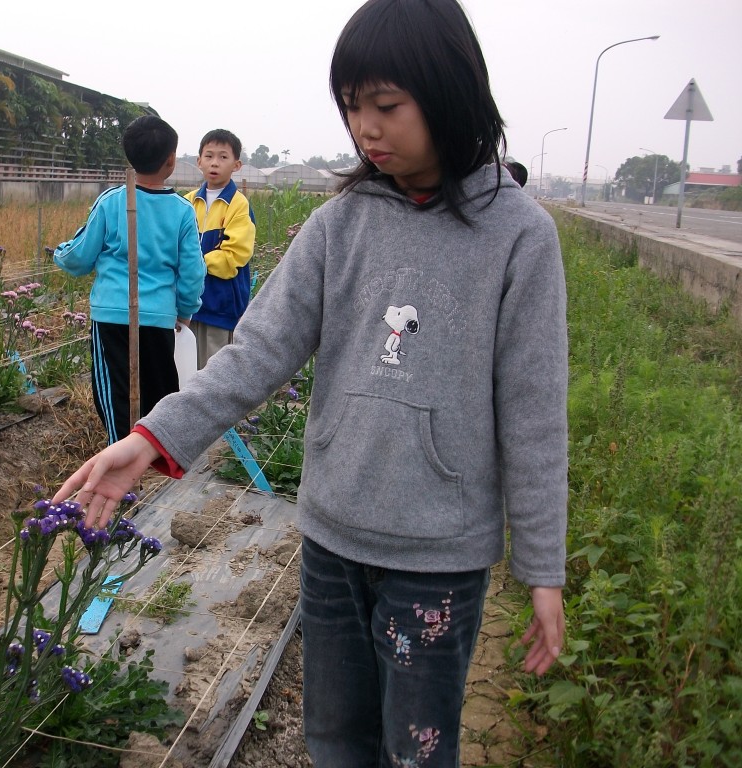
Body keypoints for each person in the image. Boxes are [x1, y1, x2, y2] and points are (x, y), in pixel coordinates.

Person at [51, 0, 568, 765]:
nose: (367, 129)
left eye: (386, 106)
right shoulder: (340, 224)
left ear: (450, 93)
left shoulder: (518, 236)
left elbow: (534, 411)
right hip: (331, 540)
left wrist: (542, 568)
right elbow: (256, 352)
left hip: (439, 559)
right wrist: (153, 438)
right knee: (333, 738)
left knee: (416, 748)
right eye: (353, 107)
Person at [53, 115, 206, 445]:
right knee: (160, 391)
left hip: (112, 317)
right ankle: (156, 455)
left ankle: (121, 453)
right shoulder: (182, 210)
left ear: (129, 157)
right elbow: (193, 271)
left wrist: (59, 253)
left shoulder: (111, 202)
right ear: (170, 161)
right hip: (160, 318)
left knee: (116, 393)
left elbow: (80, 255)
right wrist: (185, 311)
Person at [185, 129, 256, 368]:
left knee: (215, 372)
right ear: (199, 161)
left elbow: (232, 257)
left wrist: (191, 263)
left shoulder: (238, 205)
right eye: (209, 156)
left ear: (236, 165)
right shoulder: (187, 202)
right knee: (186, 371)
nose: (215, 163)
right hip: (187, 307)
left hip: (220, 308)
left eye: (223, 157)